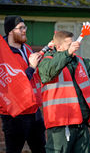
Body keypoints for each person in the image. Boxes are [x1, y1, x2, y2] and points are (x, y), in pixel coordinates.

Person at [0, 15, 46, 153]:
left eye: (24, 27)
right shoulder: (3, 54)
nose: (24, 30)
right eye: (20, 28)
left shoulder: (26, 49)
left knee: (40, 149)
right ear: (10, 31)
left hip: (34, 109)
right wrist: (31, 67)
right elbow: (16, 85)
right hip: (15, 113)